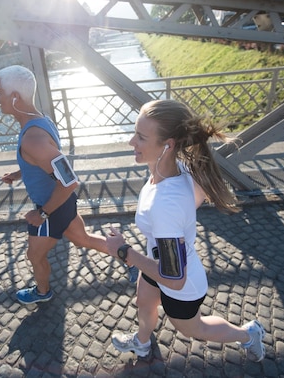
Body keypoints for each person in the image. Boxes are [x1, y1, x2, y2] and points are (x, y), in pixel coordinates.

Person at [106, 99, 266, 362]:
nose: (131, 142)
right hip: (157, 263)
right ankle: (142, 343)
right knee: (144, 302)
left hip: (181, 283)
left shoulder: (164, 206)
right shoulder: (176, 170)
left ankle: (247, 334)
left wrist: (124, 252)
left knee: (194, 329)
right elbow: (192, 199)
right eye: (135, 132)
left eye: (141, 137)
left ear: (167, 145)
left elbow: (175, 279)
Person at [0, 65, 138, 305]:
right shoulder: (41, 121)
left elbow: (69, 181)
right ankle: (132, 259)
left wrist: (42, 213)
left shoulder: (32, 139)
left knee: (34, 255)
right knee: (83, 240)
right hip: (61, 204)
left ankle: (42, 292)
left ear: (14, 97)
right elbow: (45, 162)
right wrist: (19, 173)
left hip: (52, 206)